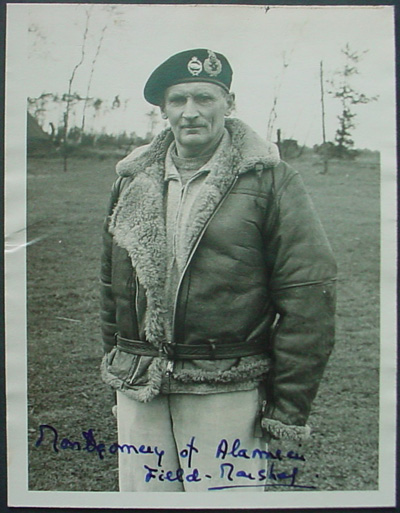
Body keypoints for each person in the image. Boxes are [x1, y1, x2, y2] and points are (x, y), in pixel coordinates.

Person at [100, 49, 337, 492]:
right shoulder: (131, 180)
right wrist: (121, 367)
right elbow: (110, 288)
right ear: (164, 109)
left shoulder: (271, 180)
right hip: (141, 389)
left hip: (226, 389)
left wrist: (287, 408)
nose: (190, 112)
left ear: (229, 103)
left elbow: (308, 296)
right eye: (178, 100)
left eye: (204, 98)